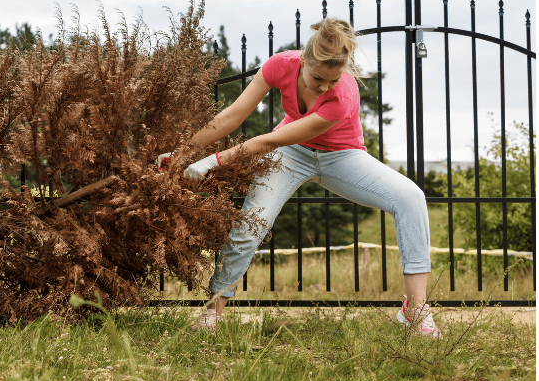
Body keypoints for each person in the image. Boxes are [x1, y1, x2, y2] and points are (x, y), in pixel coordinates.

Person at [156, 18, 442, 338]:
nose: (323, 87)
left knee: (411, 198)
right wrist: (183, 152)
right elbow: (234, 115)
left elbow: (267, 142)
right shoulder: (280, 66)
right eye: (318, 78)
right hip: (291, 153)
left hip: (342, 156)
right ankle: (212, 311)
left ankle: (415, 311)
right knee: (254, 220)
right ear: (303, 60)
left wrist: (215, 161)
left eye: (331, 81)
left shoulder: (342, 97)